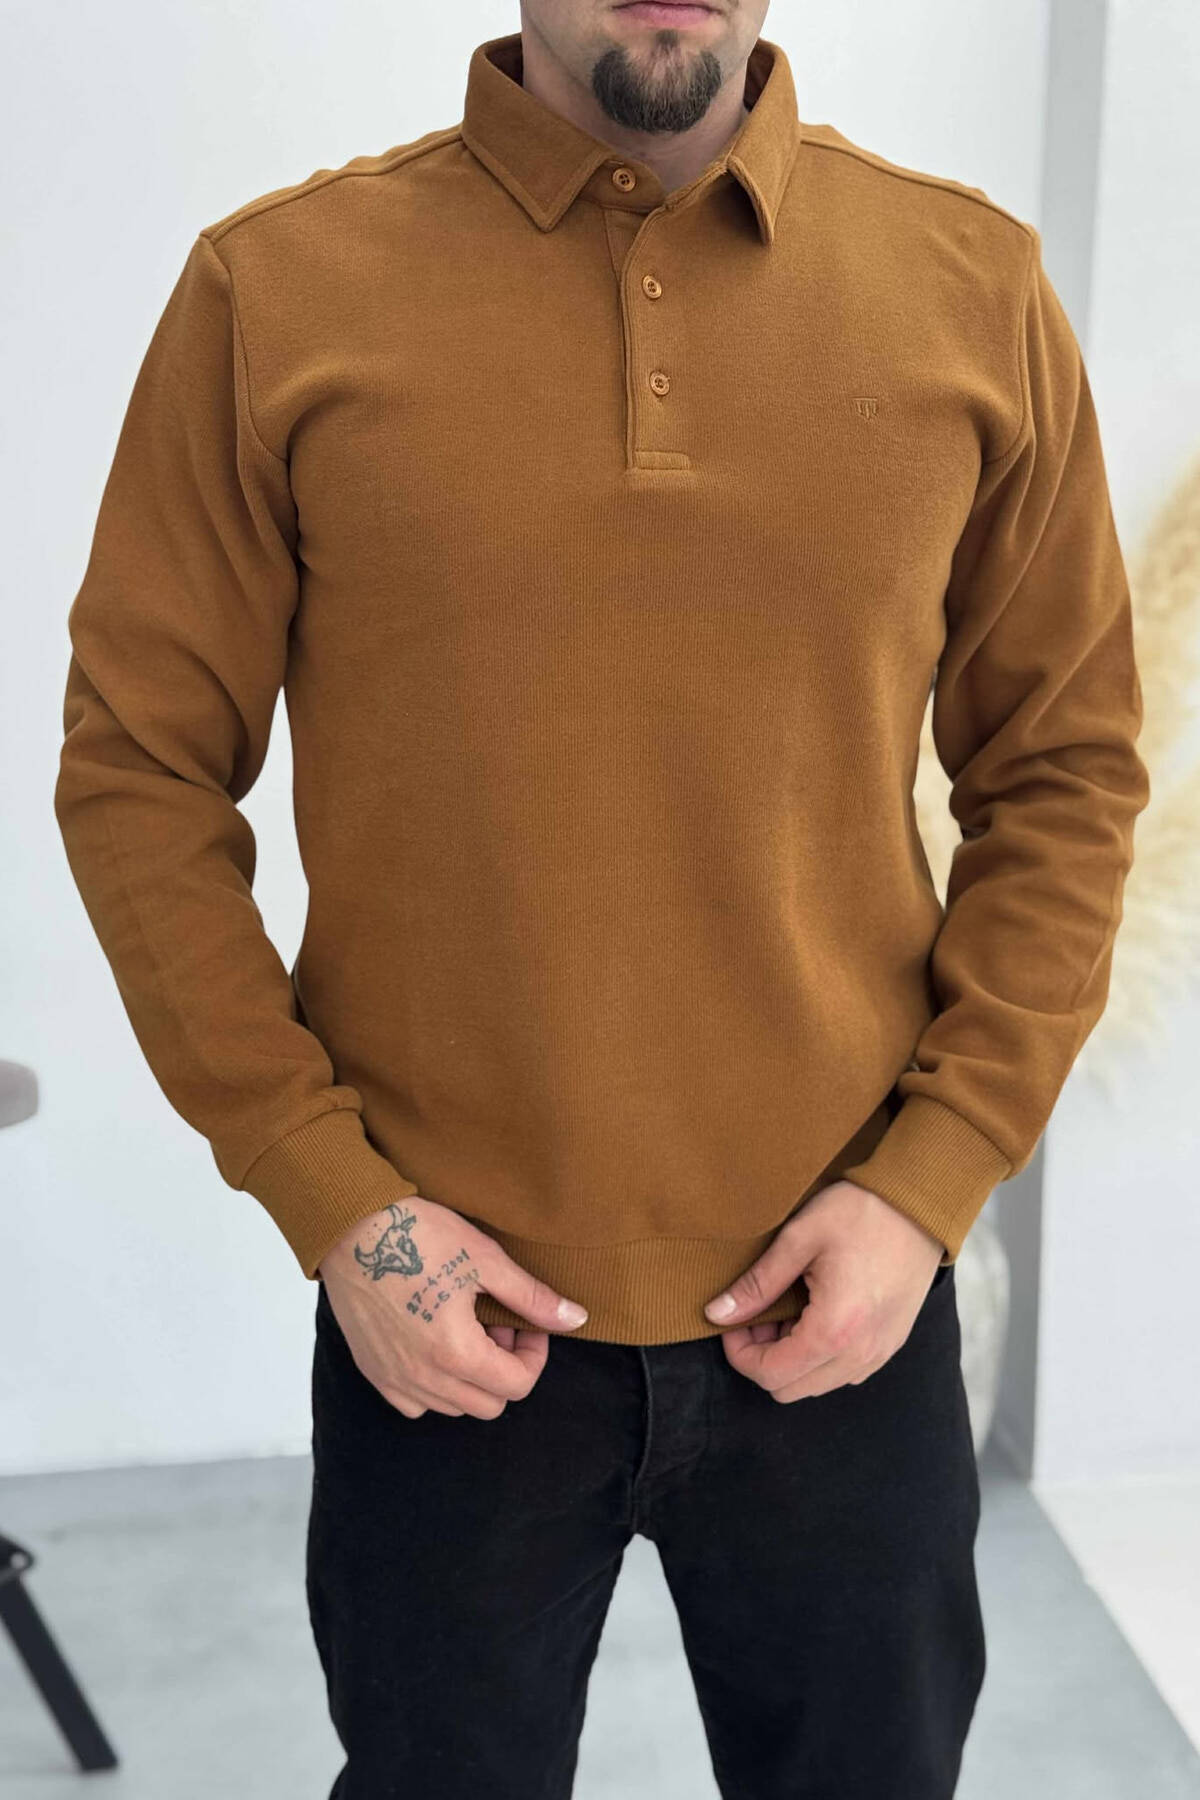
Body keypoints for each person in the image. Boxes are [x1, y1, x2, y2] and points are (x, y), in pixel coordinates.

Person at [53, 2, 1150, 1795]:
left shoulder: (972, 287)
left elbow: (1067, 770)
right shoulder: (275, 292)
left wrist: (931, 1183)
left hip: (853, 1299)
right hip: (442, 1320)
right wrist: (338, 1204)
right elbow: (139, 774)